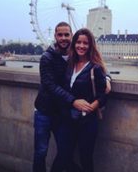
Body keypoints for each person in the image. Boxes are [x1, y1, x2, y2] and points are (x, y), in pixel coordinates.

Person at [33, 22, 93, 172]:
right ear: (55, 36)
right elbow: (51, 86)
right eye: (60, 35)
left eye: (67, 34)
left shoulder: (75, 55)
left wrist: (107, 78)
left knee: (65, 153)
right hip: (44, 112)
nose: (64, 38)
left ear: (71, 35)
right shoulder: (47, 58)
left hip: (62, 115)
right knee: (41, 152)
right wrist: (73, 101)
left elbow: (95, 65)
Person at [50, 28, 108, 172]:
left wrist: (90, 107)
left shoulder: (96, 68)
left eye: (85, 43)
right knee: (63, 156)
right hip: (67, 120)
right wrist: (74, 102)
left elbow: (103, 95)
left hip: (87, 122)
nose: (81, 46)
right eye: (78, 42)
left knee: (85, 159)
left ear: (90, 46)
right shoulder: (70, 64)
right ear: (74, 44)